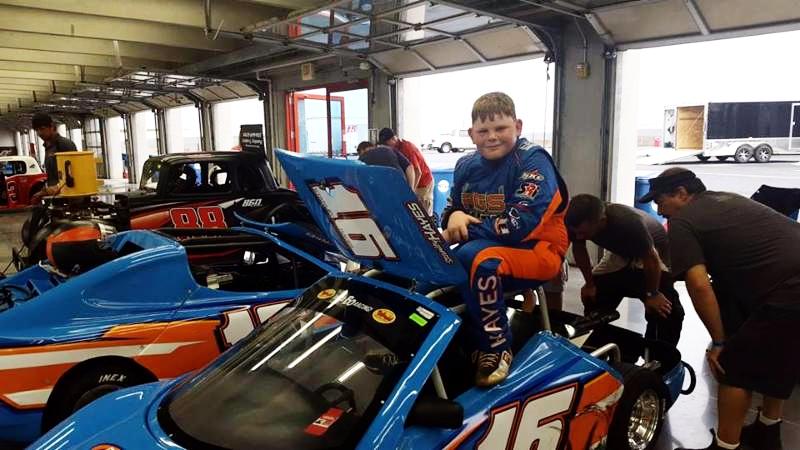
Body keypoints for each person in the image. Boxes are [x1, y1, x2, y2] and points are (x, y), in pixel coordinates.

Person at [637, 168, 800, 450]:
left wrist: (719, 342)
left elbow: (699, 285)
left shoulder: (683, 220)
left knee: (732, 366)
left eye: (660, 201)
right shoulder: (726, 199)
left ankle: (725, 447)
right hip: (788, 280)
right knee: (780, 359)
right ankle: (767, 433)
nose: (659, 210)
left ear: (681, 193)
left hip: (787, 289)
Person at [441, 92, 568, 387]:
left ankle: (496, 347)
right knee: (428, 275)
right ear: (472, 134)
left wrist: (459, 230)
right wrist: (453, 217)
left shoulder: (533, 160)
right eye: (483, 131)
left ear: (518, 127)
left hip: (539, 250)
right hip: (489, 246)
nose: (492, 137)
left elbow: (519, 224)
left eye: (501, 128)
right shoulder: (465, 165)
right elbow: (451, 210)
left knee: (474, 258)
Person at [565, 194, 684, 346]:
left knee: (665, 309)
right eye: (576, 232)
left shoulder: (627, 222)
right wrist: (589, 284)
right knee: (593, 297)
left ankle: (657, 352)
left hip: (652, 251)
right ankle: (597, 346)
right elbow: (579, 248)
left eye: (583, 233)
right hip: (619, 251)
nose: (578, 236)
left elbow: (651, 258)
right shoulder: (576, 223)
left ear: (602, 221)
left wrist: (652, 293)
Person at [378, 127, 434, 215]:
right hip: (414, 183)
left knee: (422, 213)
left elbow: (417, 171)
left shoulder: (407, 148)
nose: (386, 146)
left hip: (423, 183)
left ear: (393, 138)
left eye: (386, 143)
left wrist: (412, 191)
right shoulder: (395, 150)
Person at [31, 113, 77, 197]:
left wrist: (49, 191)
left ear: (52, 126)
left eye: (42, 129)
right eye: (36, 130)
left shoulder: (64, 144)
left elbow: (74, 173)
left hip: (68, 196)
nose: (39, 133)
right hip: (56, 196)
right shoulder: (48, 147)